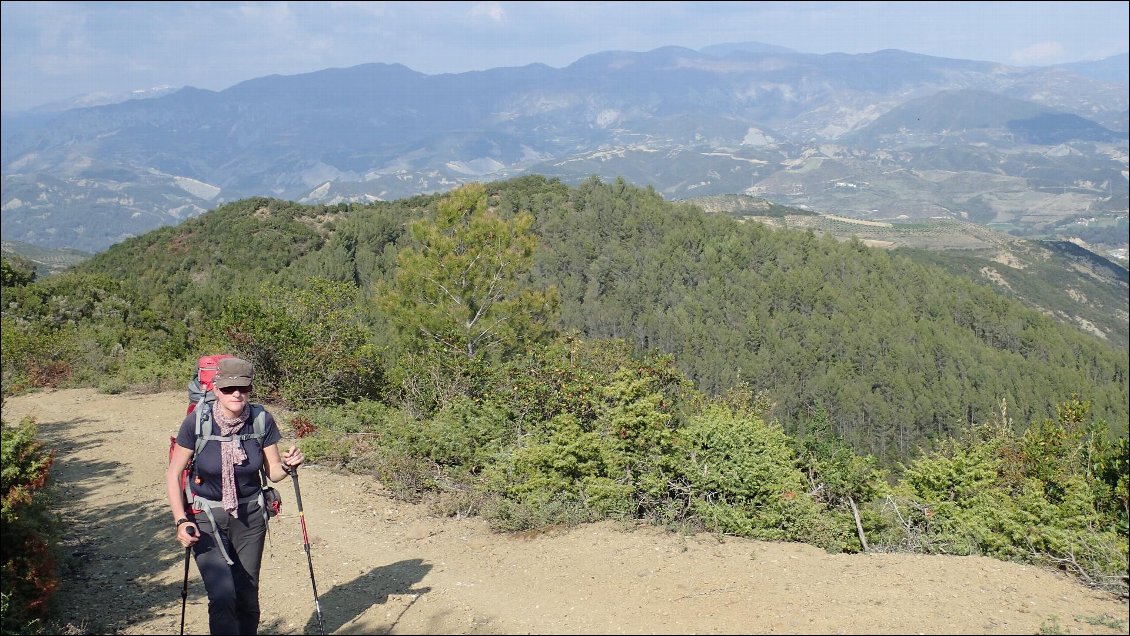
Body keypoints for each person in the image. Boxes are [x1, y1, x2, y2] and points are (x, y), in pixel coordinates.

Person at [165, 356, 304, 635]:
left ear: (251, 388)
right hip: (205, 517)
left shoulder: (261, 420)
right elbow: (173, 474)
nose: (236, 394)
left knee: (247, 596)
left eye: (243, 387)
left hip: (250, 517)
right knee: (223, 595)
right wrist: (181, 520)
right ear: (216, 389)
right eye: (228, 389)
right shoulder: (197, 423)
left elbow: (273, 471)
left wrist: (289, 466)